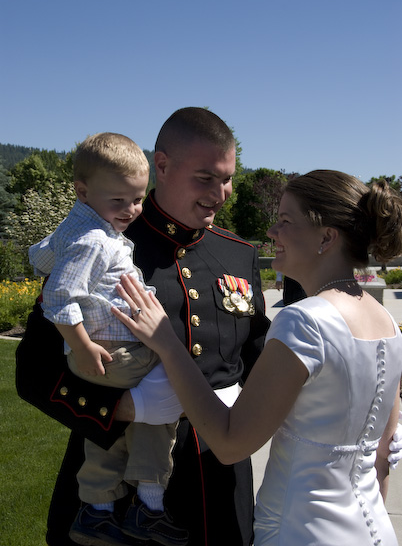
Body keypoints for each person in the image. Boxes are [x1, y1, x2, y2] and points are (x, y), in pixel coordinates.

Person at [16, 108, 270, 546]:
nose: (220, 194)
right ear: (162, 166)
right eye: (206, 178)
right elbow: (33, 370)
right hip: (119, 486)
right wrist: (124, 409)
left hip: (217, 479)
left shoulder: (237, 254)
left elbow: (259, 363)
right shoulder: (101, 240)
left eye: (227, 179)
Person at [112, 170, 402, 546]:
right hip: (372, 530)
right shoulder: (387, 323)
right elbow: (382, 460)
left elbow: (230, 444)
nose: (272, 232)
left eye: (286, 221)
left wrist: (167, 343)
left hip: (302, 532)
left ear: (327, 237)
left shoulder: (307, 320)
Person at [28, 132, 188, 546]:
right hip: (114, 351)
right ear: (83, 191)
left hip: (102, 353)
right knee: (175, 390)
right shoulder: (93, 240)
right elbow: (58, 296)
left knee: (110, 426)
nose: (132, 210)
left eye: (137, 199)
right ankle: (149, 505)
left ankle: (97, 511)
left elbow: (39, 257)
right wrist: (83, 346)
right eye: (119, 200)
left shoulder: (76, 227)